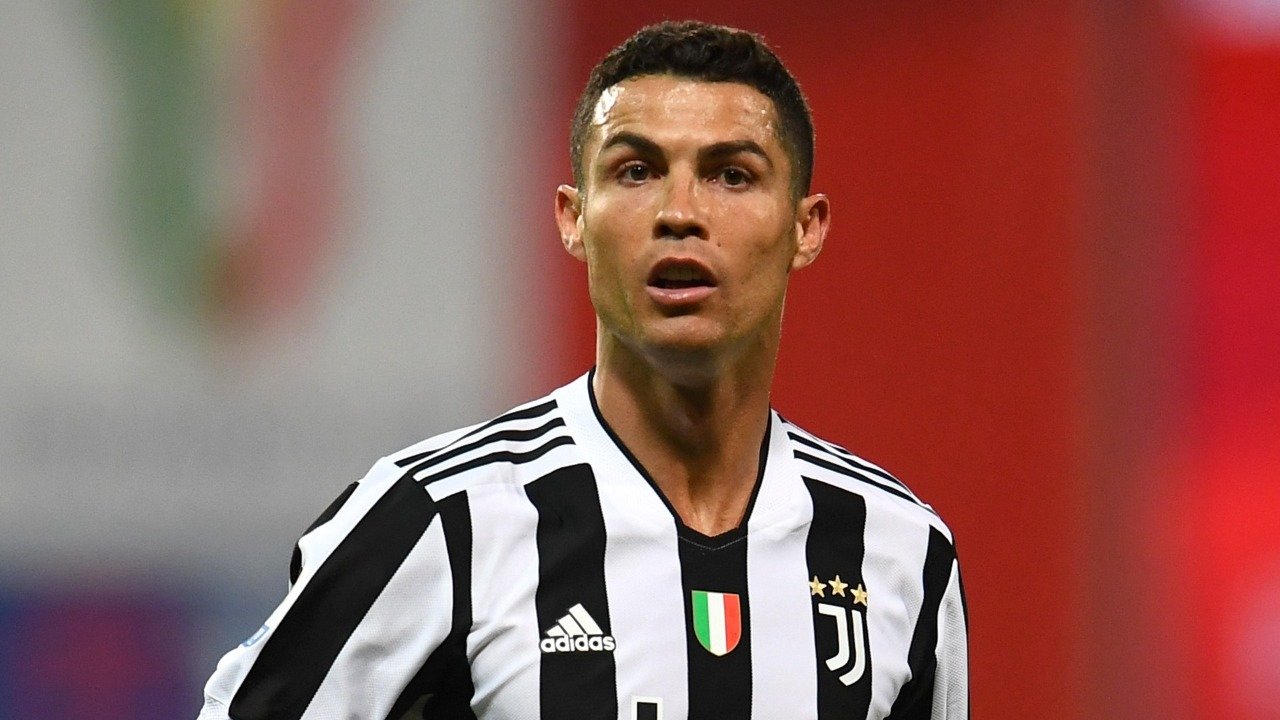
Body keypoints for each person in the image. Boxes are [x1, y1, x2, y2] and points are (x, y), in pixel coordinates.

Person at [197, 20, 969, 720]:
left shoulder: (899, 553)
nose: (679, 212)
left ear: (806, 227)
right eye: (636, 171)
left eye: (732, 175)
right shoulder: (442, 520)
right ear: (573, 218)